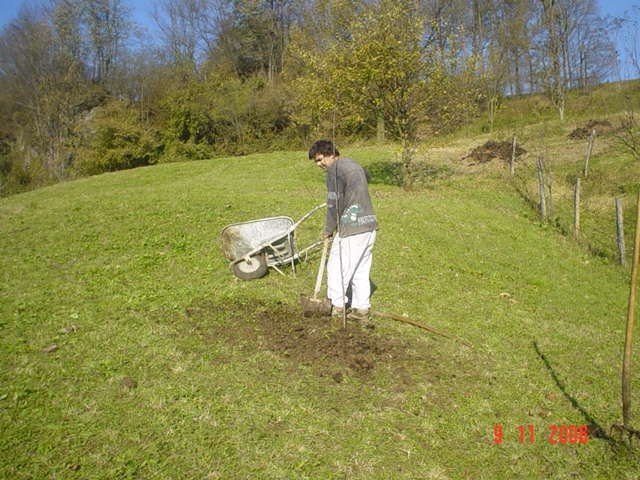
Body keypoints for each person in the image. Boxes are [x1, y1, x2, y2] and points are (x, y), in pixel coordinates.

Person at [308, 140, 378, 323]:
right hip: (369, 225)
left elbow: (333, 204)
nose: (319, 164)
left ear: (331, 153)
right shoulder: (353, 164)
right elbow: (367, 177)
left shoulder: (335, 170)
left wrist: (328, 229)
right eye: (316, 161)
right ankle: (362, 309)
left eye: (320, 159)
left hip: (352, 229)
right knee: (360, 270)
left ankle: (337, 307)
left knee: (337, 268)